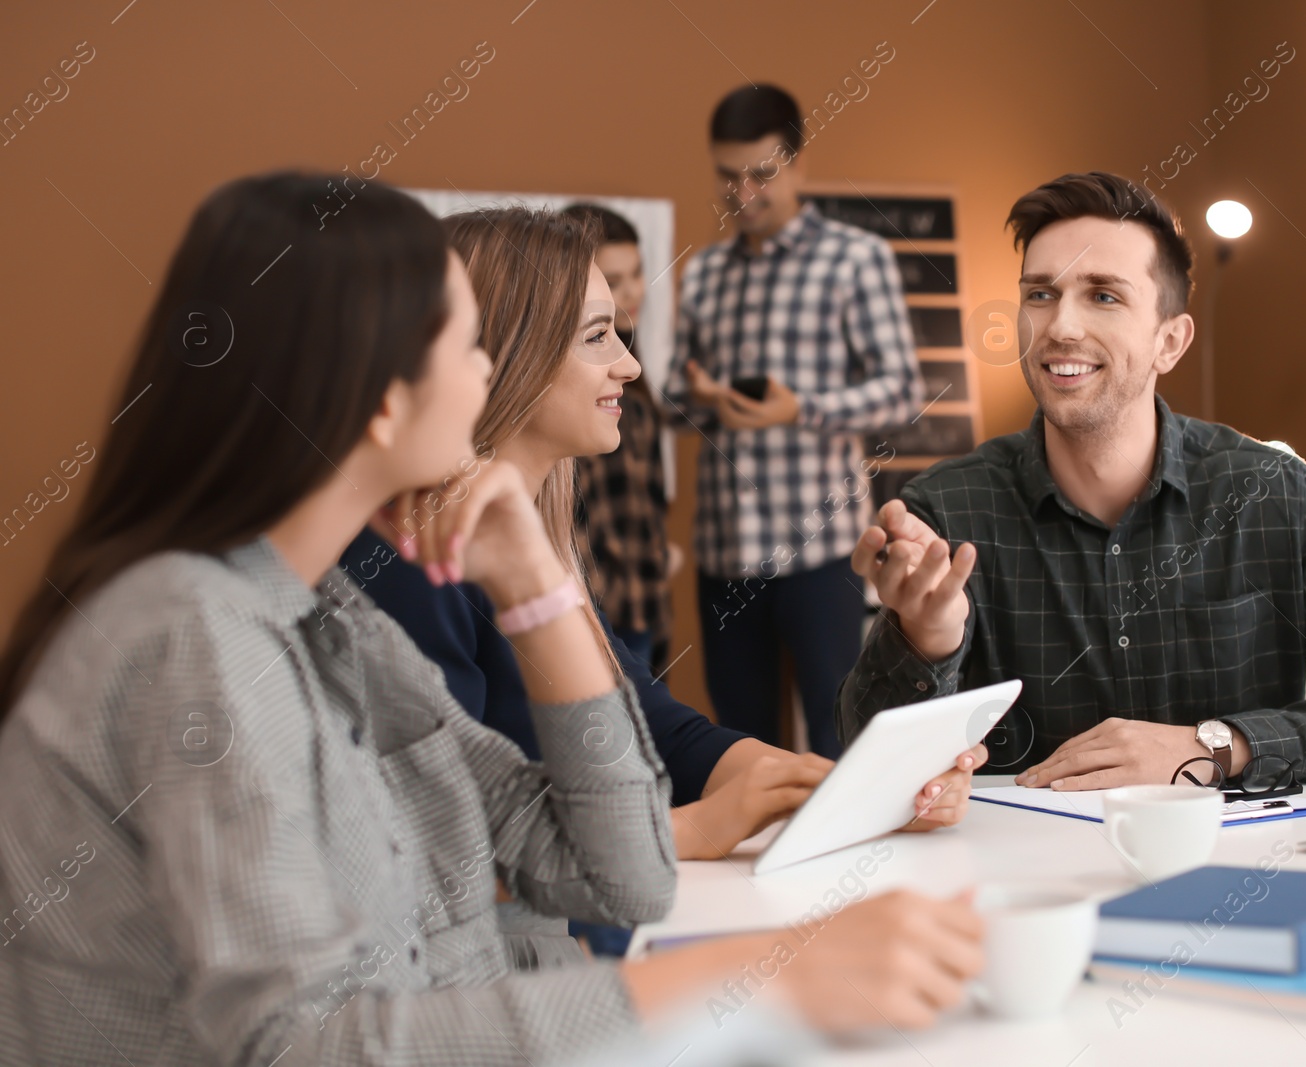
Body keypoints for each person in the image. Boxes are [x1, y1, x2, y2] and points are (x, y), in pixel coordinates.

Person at [0, 173, 984, 1064]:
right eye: (465, 342)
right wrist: (759, 973)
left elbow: (624, 875)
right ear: (381, 398)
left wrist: (533, 584)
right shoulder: (192, 634)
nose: (486, 375)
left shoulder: (326, 617)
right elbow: (300, 1043)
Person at [339, 205, 983, 958]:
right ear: (504, 353)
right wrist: (689, 829)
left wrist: (853, 793)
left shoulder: (533, 541)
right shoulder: (410, 561)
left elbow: (651, 723)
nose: (631, 364)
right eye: (595, 337)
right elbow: (413, 849)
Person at [836, 171, 1306, 791]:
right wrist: (928, 639)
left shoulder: (1275, 495)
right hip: (1023, 893)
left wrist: (1215, 746)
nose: (1060, 325)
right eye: (1040, 293)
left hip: (1242, 880)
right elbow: (869, 769)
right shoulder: (945, 510)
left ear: (1170, 342)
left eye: (1103, 295)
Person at [662, 84, 923, 759]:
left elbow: (902, 391)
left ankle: (839, 864)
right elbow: (670, 396)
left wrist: (800, 408)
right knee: (742, 748)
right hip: (724, 552)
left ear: (798, 163)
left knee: (838, 735)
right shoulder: (706, 272)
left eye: (762, 173)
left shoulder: (855, 259)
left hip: (821, 550)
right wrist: (703, 398)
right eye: (727, 175)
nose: (743, 192)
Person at [561, 202, 679, 676]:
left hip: (642, 593)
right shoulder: (574, 376)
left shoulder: (634, 363)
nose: (631, 292)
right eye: (614, 278)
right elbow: (567, 496)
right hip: (596, 594)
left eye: (636, 275)